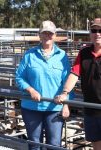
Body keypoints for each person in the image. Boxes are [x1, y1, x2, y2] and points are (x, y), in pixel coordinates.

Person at [16, 20, 72, 150]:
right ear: (39, 35)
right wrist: (30, 90)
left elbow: (68, 81)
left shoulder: (62, 56)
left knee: (54, 145)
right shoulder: (29, 55)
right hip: (31, 107)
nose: (47, 36)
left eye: (50, 33)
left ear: (55, 35)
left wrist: (66, 104)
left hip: (55, 108)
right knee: (35, 144)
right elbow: (19, 77)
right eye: (44, 33)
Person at [54, 18, 101, 150]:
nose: (97, 33)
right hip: (90, 108)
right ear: (90, 33)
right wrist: (64, 93)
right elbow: (74, 74)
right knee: (96, 144)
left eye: (100, 30)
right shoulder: (84, 53)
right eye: (94, 30)